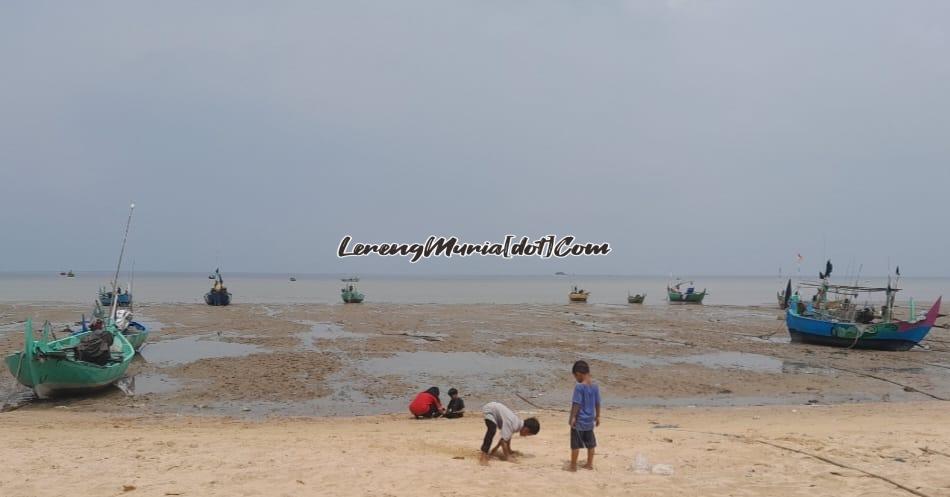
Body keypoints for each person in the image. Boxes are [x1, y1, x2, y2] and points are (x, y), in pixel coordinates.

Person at [569, 360, 600, 471]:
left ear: (578, 374)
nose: (576, 379)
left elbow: (576, 403)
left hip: (579, 421)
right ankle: (589, 464)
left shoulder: (579, 387)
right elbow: (597, 403)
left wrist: (572, 417)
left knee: (575, 445)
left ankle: (573, 466)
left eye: (575, 376)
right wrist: (598, 416)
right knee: (591, 444)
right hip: (589, 421)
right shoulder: (595, 387)